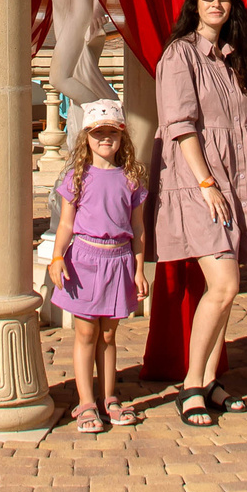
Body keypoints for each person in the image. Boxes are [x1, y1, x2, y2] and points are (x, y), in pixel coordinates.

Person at [154, 0, 247, 427]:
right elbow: (180, 126)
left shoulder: (236, 56)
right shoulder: (179, 55)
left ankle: (206, 380)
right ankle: (190, 387)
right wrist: (206, 184)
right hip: (197, 179)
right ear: (195, 3)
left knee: (223, 290)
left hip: (237, 178)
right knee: (224, 285)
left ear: (233, 5)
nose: (216, 4)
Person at [47, 99, 148, 431]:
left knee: (108, 334)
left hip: (118, 259)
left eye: (112, 133)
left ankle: (108, 397)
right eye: (98, 133)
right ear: (86, 137)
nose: (105, 139)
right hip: (85, 260)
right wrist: (58, 256)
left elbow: (137, 229)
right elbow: (65, 224)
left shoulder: (131, 178)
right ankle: (86, 401)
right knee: (86, 332)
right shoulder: (77, 177)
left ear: (122, 138)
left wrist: (138, 269)